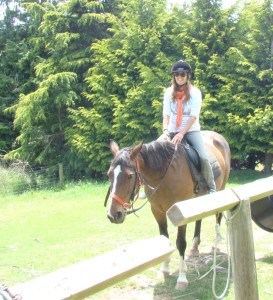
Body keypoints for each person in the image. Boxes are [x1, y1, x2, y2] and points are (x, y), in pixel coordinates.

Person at [162, 59, 216, 194]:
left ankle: (211, 186)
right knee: (153, 151)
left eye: (182, 75)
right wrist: (165, 131)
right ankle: (147, 186)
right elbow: (166, 114)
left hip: (190, 130)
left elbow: (193, 116)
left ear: (188, 76)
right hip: (172, 129)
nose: (179, 77)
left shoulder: (195, 93)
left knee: (203, 157)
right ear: (174, 76)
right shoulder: (169, 92)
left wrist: (181, 133)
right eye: (177, 75)